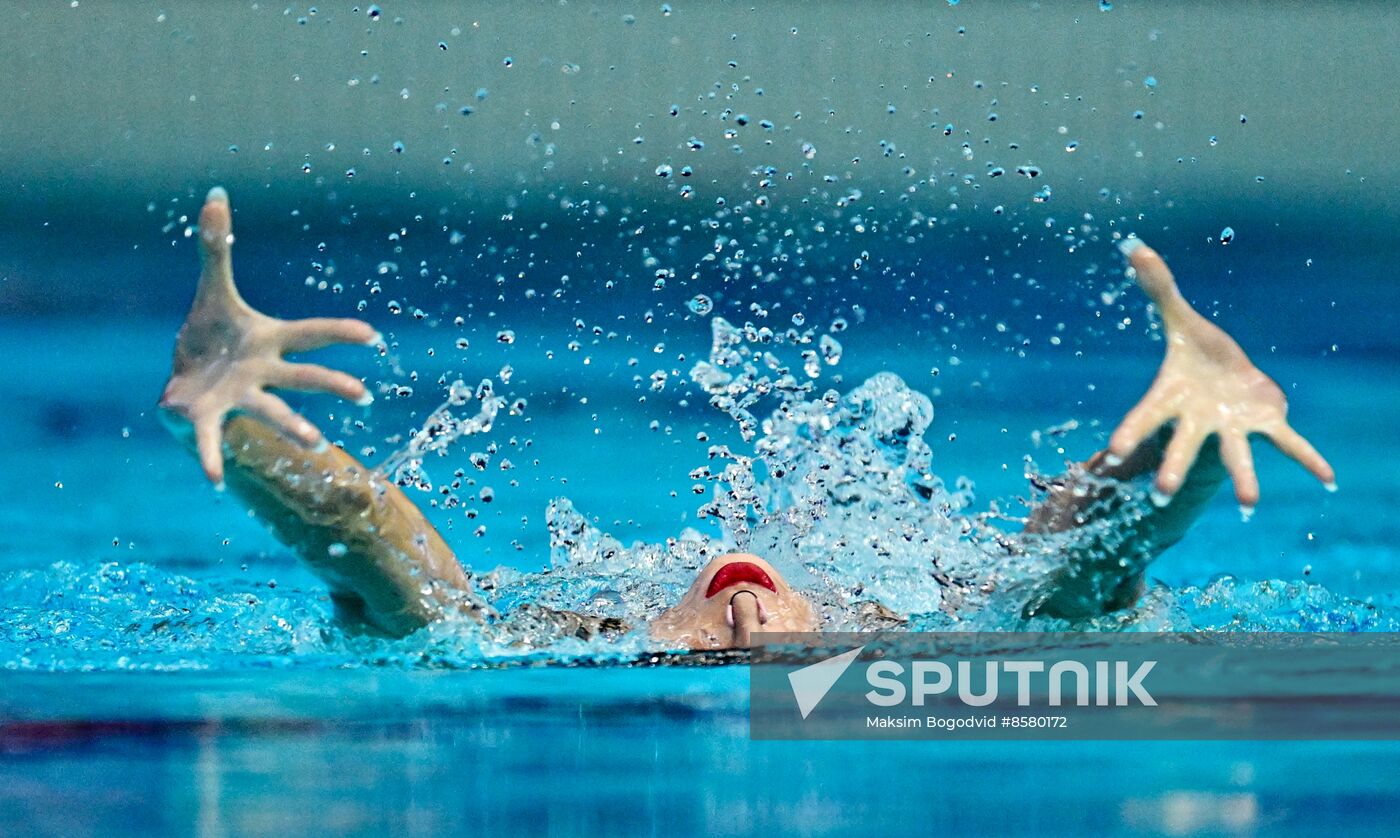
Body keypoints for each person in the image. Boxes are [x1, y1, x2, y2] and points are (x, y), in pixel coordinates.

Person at [158, 188, 1337, 649]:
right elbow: (1094, 558)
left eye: (715, 652)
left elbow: (367, 534)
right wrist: (1175, 444)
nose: (744, 623)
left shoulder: (537, 638)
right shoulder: (935, 632)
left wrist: (226, 420)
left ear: (642, 639)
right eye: (774, 651)